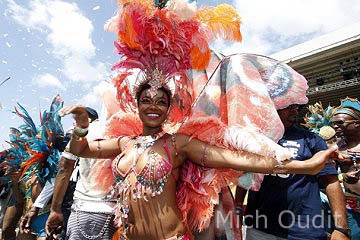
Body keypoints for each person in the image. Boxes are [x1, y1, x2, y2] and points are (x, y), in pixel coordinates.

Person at [243, 103, 349, 240]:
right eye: (288, 105)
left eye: (296, 106)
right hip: (259, 227)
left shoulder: (312, 140)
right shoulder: (253, 138)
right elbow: (245, 174)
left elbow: (331, 181)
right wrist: (238, 207)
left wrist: (341, 228)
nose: (294, 110)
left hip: (304, 230)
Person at [45, 109, 118, 240]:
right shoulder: (137, 129)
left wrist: (55, 209)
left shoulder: (88, 130)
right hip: (117, 216)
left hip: (82, 213)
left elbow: (64, 166)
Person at [331, 96, 360, 239]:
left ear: (356, 123)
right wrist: (342, 177)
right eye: (333, 123)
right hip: (352, 207)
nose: (335, 126)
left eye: (340, 122)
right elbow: (325, 177)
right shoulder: (335, 148)